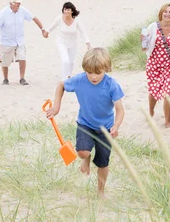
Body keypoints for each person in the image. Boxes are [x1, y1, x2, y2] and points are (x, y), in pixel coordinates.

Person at [46, 48, 125, 198]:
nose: (93, 77)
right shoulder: (80, 80)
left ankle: (100, 191)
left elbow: (120, 110)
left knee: (103, 163)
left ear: (106, 69)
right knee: (82, 152)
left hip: (105, 128)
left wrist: (116, 126)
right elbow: (61, 85)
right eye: (89, 72)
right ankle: (86, 159)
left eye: (98, 72)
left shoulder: (111, 85)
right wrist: (56, 106)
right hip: (85, 123)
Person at [0, 0, 46, 85]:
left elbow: (34, 18)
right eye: (17, 3)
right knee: (5, 62)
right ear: (11, 4)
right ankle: (5, 79)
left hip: (20, 41)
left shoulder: (22, 10)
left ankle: (22, 78)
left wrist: (42, 29)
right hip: (7, 42)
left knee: (22, 58)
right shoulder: (3, 13)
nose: (19, 5)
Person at [142, 3, 170, 127]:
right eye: (165, 11)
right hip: (154, 64)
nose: (168, 14)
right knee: (153, 90)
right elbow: (145, 47)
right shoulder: (153, 27)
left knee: (168, 92)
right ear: (161, 13)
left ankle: (167, 121)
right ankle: (151, 111)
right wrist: (143, 41)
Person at [44, 2, 91, 80]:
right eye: (65, 9)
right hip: (61, 42)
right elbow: (52, 26)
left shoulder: (76, 20)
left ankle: (68, 76)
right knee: (66, 61)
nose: (66, 11)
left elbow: (83, 32)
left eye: (68, 10)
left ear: (72, 11)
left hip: (73, 44)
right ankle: (64, 79)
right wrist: (47, 32)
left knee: (71, 62)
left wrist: (87, 42)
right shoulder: (60, 18)